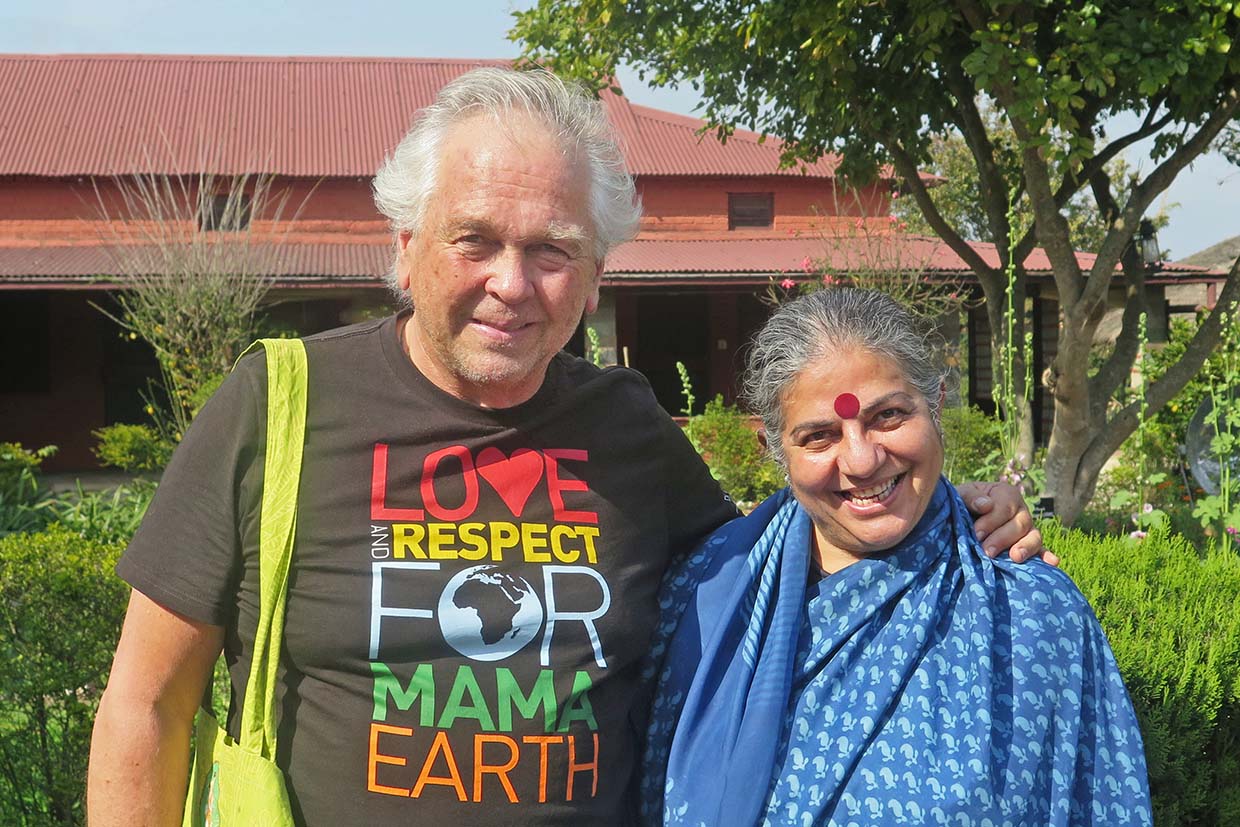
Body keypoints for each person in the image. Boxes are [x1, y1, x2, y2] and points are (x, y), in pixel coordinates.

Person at [87, 68, 1045, 826]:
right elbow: (148, 701)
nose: (513, 283)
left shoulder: (627, 426)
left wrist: (955, 518)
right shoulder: (278, 403)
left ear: (594, 276)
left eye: (552, 250)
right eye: (475, 241)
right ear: (406, 245)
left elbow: (784, 566)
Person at [642, 288, 1151, 826]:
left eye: (888, 416)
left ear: (935, 404)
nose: (862, 461)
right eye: (819, 436)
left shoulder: (1028, 613)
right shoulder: (709, 595)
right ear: (775, 451)